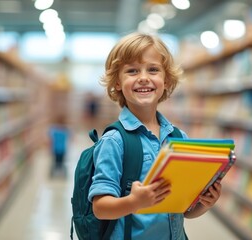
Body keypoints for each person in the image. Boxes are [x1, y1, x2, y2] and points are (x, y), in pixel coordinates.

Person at [87, 32, 222, 239]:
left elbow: (183, 211)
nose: (143, 77)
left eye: (153, 69)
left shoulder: (179, 138)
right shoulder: (115, 141)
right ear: (116, 83)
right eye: (132, 71)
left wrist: (205, 204)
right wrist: (134, 202)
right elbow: (101, 208)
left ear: (166, 81)